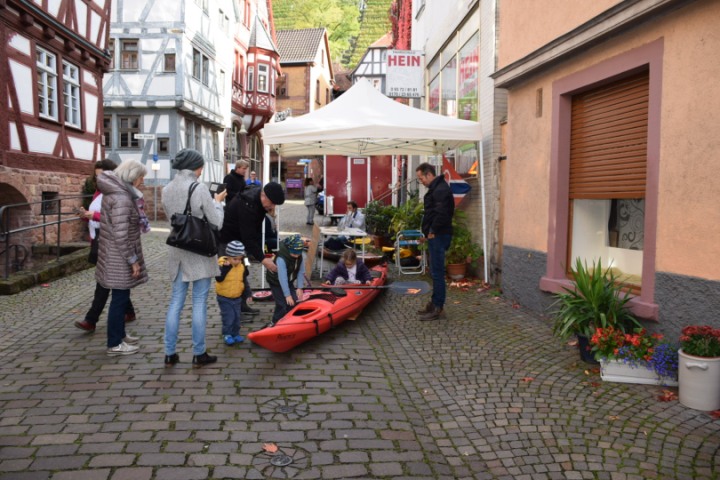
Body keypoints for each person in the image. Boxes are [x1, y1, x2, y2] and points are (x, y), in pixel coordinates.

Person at [162, 148, 227, 367]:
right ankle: (199, 353)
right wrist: (217, 202)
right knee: (199, 302)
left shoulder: (166, 189)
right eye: (200, 167)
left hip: (178, 250)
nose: (201, 171)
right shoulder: (199, 188)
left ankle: (169, 353)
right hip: (199, 250)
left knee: (175, 302)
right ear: (194, 167)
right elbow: (216, 222)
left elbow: (172, 220)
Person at [75, 159, 140, 332]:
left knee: (104, 282)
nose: (99, 180)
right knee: (113, 282)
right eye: (96, 176)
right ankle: (129, 312)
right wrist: (85, 215)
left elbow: (114, 219)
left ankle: (91, 319)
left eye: (102, 175)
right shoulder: (99, 192)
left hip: (111, 242)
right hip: (98, 240)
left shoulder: (115, 193)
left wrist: (95, 216)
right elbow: (99, 216)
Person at [94, 160, 149, 356]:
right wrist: (132, 260)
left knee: (121, 297)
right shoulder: (122, 198)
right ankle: (114, 343)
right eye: (141, 177)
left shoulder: (116, 193)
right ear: (133, 177)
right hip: (118, 256)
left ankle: (120, 334)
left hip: (113, 253)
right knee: (119, 299)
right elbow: (121, 234)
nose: (143, 181)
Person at [220, 181, 286, 315]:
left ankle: (242, 305)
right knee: (231, 276)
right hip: (228, 242)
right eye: (272, 203)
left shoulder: (258, 200)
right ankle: (231, 313)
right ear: (264, 196)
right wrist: (263, 259)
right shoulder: (248, 205)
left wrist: (262, 252)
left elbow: (255, 233)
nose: (272, 207)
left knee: (243, 271)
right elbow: (249, 238)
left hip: (240, 241)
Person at [416, 162, 454, 321]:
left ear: (429, 174)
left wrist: (432, 231)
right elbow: (433, 213)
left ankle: (438, 307)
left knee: (437, 273)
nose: (421, 181)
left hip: (439, 235)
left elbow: (442, 214)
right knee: (435, 272)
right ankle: (435, 304)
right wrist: (427, 233)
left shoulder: (440, 189)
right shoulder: (437, 188)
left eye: (421, 178)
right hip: (436, 235)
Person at [266, 234, 306, 325]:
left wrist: (300, 287)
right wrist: (287, 295)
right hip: (276, 281)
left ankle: (288, 321)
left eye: (298, 254)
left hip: (288, 280)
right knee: (282, 304)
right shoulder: (281, 258)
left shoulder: (299, 256)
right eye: (294, 254)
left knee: (294, 302)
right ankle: (274, 322)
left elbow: (301, 271)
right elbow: (282, 278)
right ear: (289, 250)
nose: (296, 256)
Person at [215, 240, 246, 346]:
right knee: (229, 317)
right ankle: (227, 334)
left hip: (237, 297)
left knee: (237, 317)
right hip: (224, 297)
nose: (237, 261)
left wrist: (247, 293)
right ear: (228, 256)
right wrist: (226, 268)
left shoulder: (241, 266)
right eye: (235, 259)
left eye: (240, 259)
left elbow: (243, 279)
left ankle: (235, 333)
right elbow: (219, 278)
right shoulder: (222, 264)